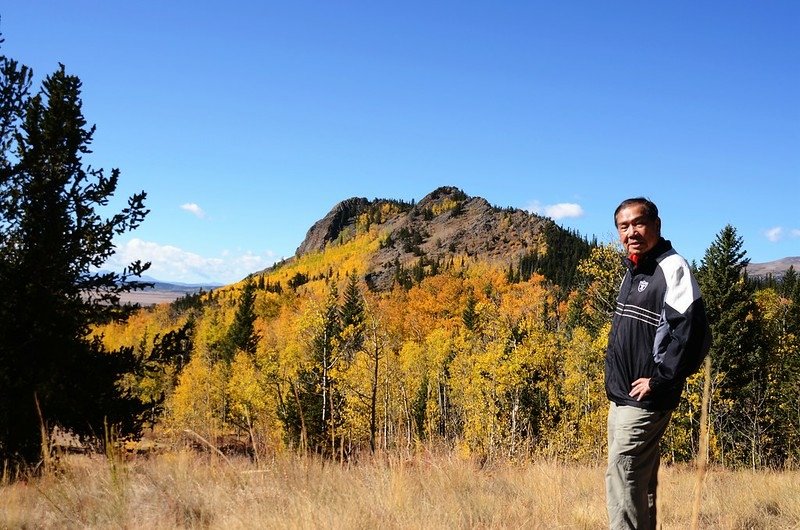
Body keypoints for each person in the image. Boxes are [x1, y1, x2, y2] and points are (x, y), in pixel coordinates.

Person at [605, 197, 711, 529]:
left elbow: (691, 334)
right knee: (640, 481)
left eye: (638, 223)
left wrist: (660, 379)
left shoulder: (671, 267)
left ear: (656, 225)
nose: (631, 232)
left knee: (622, 477)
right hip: (622, 396)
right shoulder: (636, 269)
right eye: (624, 226)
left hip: (645, 399)